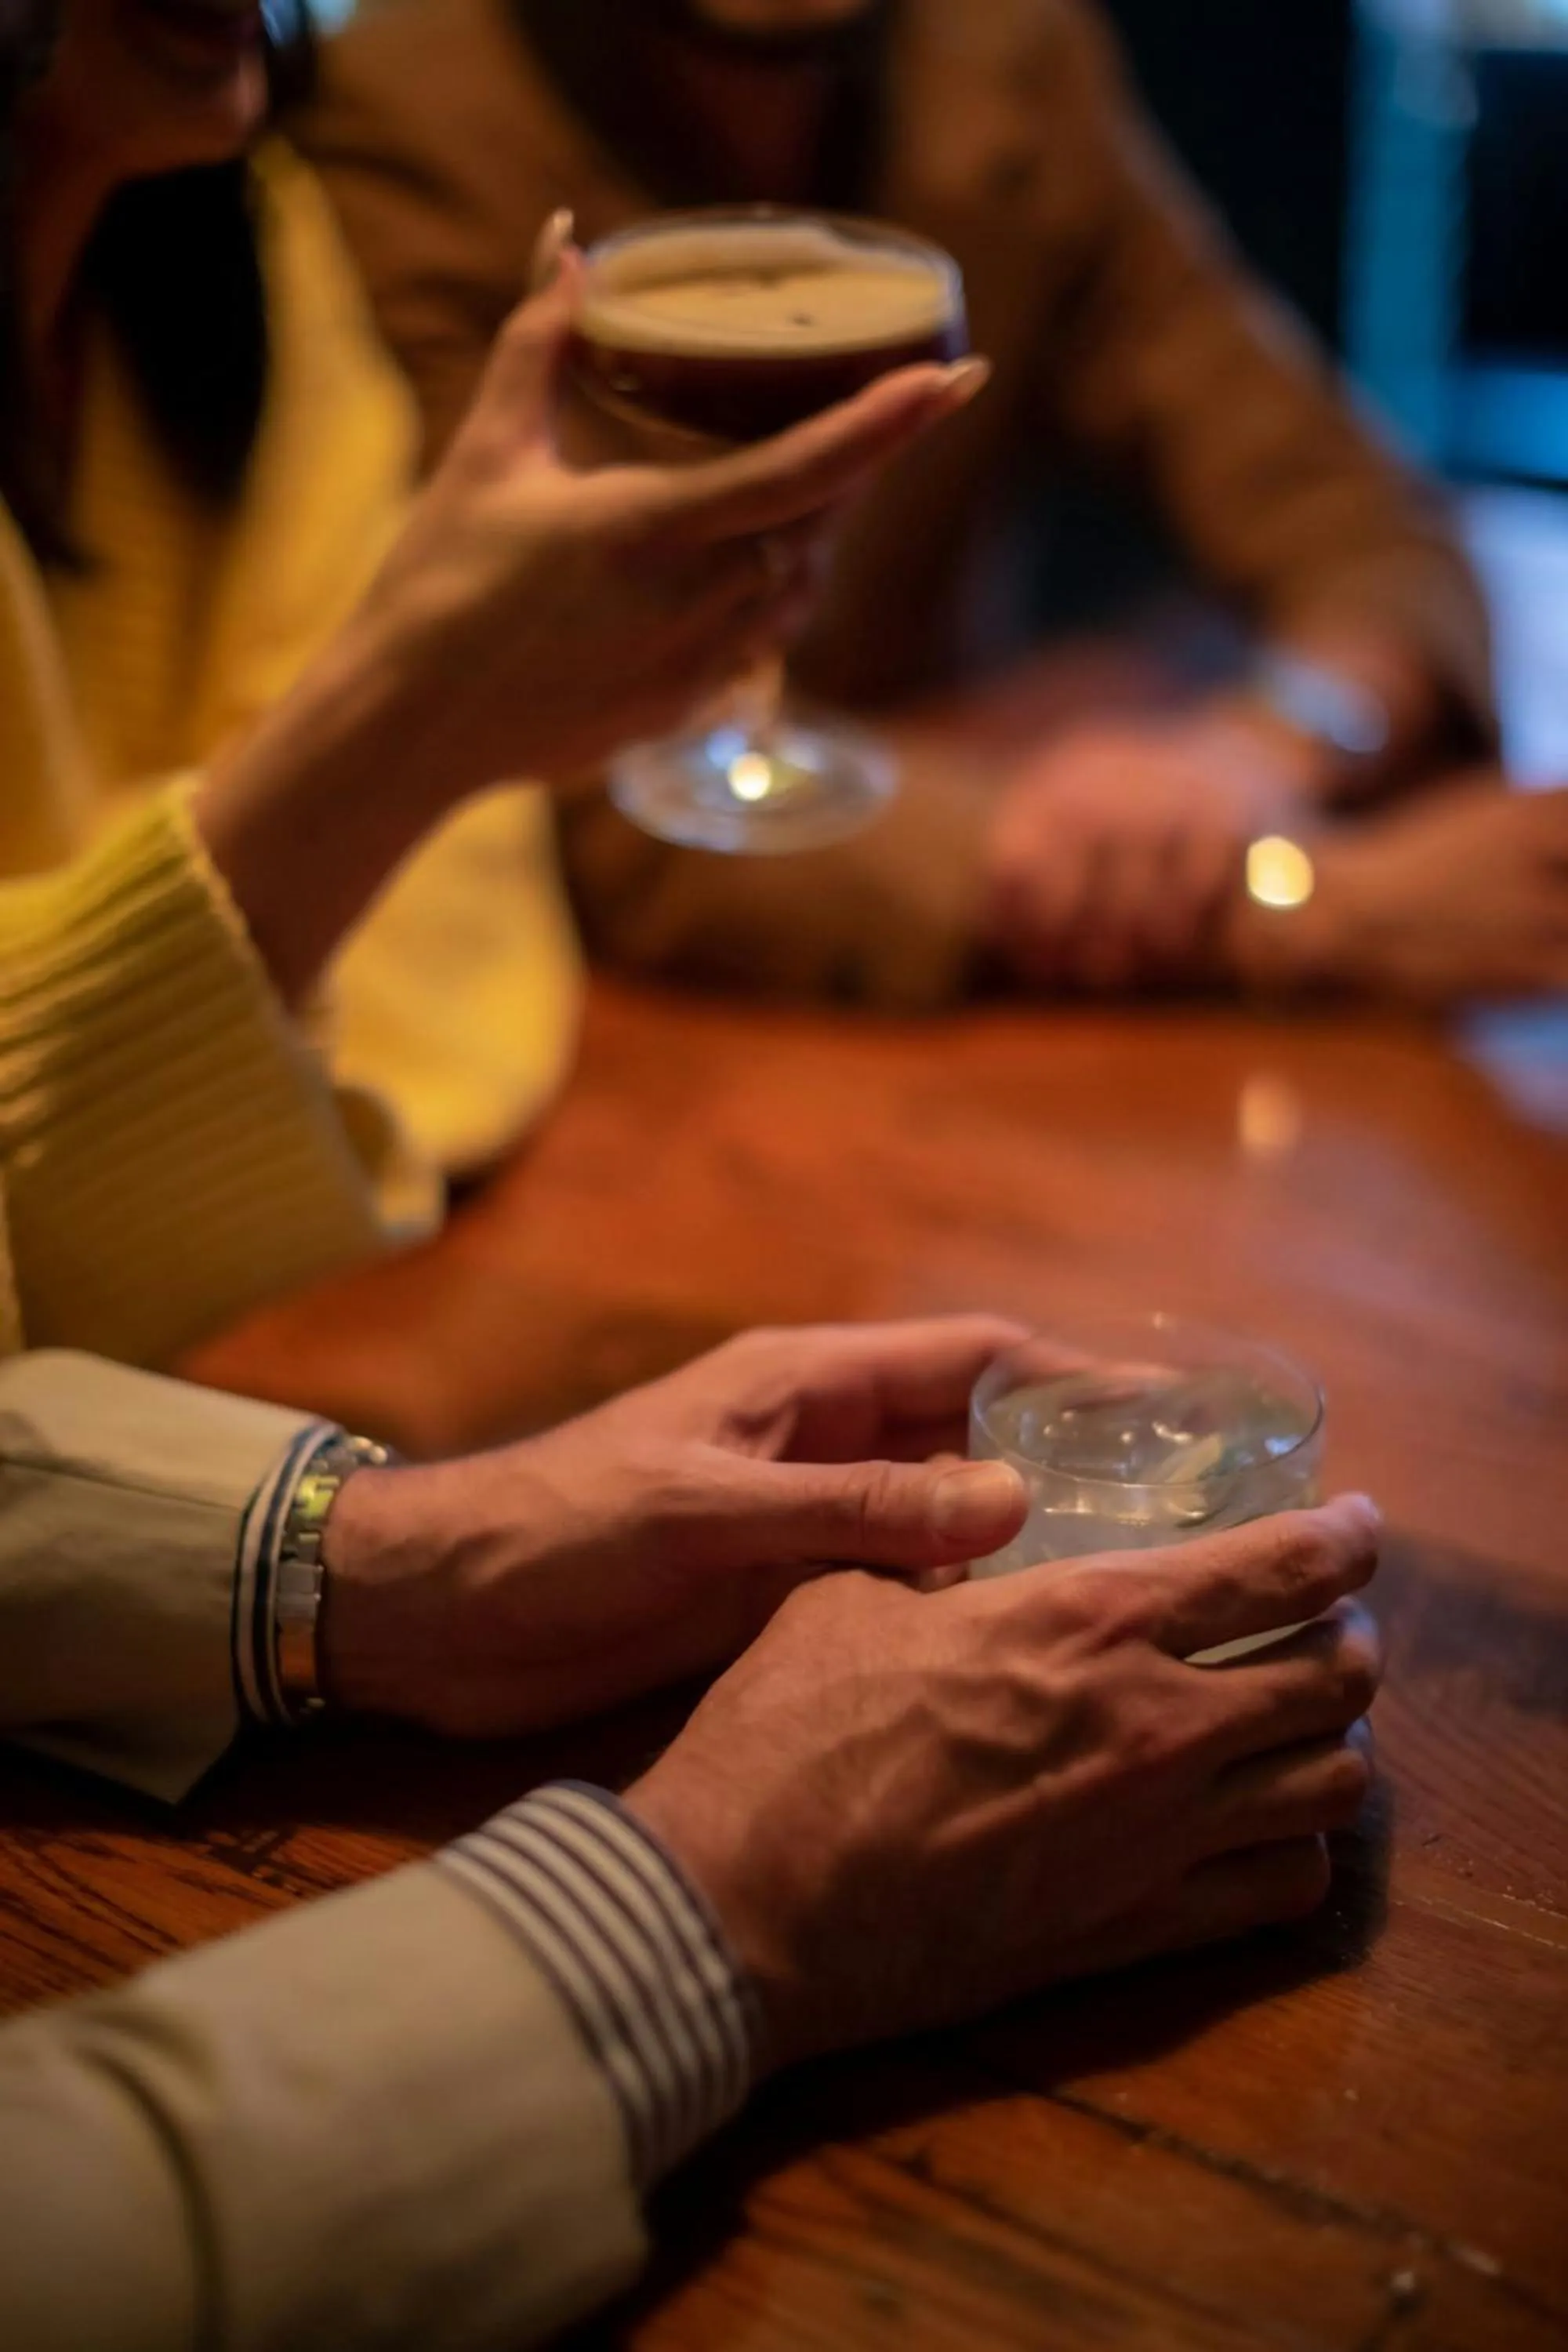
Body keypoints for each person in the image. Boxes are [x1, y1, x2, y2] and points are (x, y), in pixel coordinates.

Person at [0, 0, 987, 1371]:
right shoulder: (426, 96)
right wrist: (391, 735)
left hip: (292, 1349)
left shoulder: (243, 225)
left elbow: (452, 925)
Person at [303, 0, 1568, 1009]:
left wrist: (1265, 743)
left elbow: (1346, 507)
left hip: (957, 914)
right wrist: (1292, 902)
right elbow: (553, 772)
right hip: (604, 1046)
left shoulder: (997, 49)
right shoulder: (399, 111)